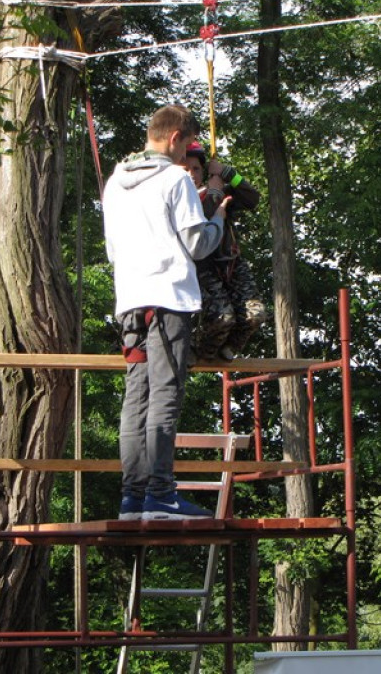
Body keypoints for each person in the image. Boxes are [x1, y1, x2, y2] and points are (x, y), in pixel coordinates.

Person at [102, 105, 231, 521]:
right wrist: (217, 220)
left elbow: (112, 250)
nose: (185, 158)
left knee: (135, 396)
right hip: (168, 299)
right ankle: (160, 495)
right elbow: (196, 245)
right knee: (165, 395)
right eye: (185, 148)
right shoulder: (175, 178)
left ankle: (133, 498)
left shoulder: (115, 183)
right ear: (175, 138)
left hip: (130, 302)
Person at [178, 142, 267, 361]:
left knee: (256, 314)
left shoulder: (218, 191)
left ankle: (228, 348)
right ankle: (203, 351)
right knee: (222, 317)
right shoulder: (180, 199)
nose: (191, 174)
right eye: (185, 170)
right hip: (203, 269)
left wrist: (228, 174)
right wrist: (214, 194)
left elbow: (252, 198)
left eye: (196, 169)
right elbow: (206, 214)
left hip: (231, 263)